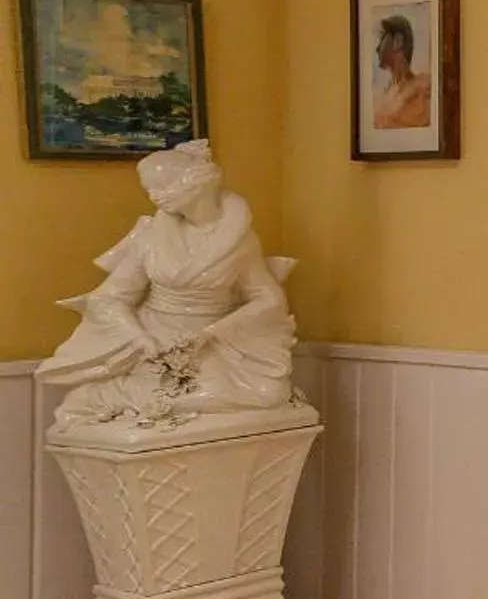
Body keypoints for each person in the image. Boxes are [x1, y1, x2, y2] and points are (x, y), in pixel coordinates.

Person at [38, 141, 298, 429]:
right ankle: (148, 400)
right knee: (99, 394)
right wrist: (140, 339)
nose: (154, 196)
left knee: (268, 394)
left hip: (214, 339)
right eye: (149, 189)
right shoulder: (150, 237)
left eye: (163, 186)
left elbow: (268, 299)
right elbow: (110, 298)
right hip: (157, 335)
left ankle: (163, 404)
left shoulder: (240, 240)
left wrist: (213, 333)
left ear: (196, 183)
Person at [372, 13, 432, 130]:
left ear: (398, 41)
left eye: (382, 39)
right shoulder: (384, 93)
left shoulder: (421, 88)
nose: (377, 48)